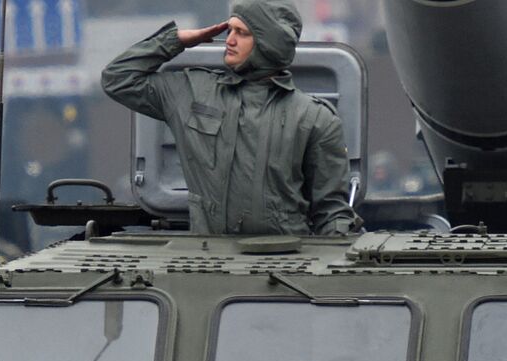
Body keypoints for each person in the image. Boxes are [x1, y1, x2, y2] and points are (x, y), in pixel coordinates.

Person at [102, 0, 359, 236]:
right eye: (230, 30)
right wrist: (175, 40)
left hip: (288, 262)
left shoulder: (314, 117)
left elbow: (331, 211)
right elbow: (117, 79)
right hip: (210, 263)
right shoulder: (192, 92)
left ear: (269, 42)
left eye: (242, 33)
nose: (229, 40)